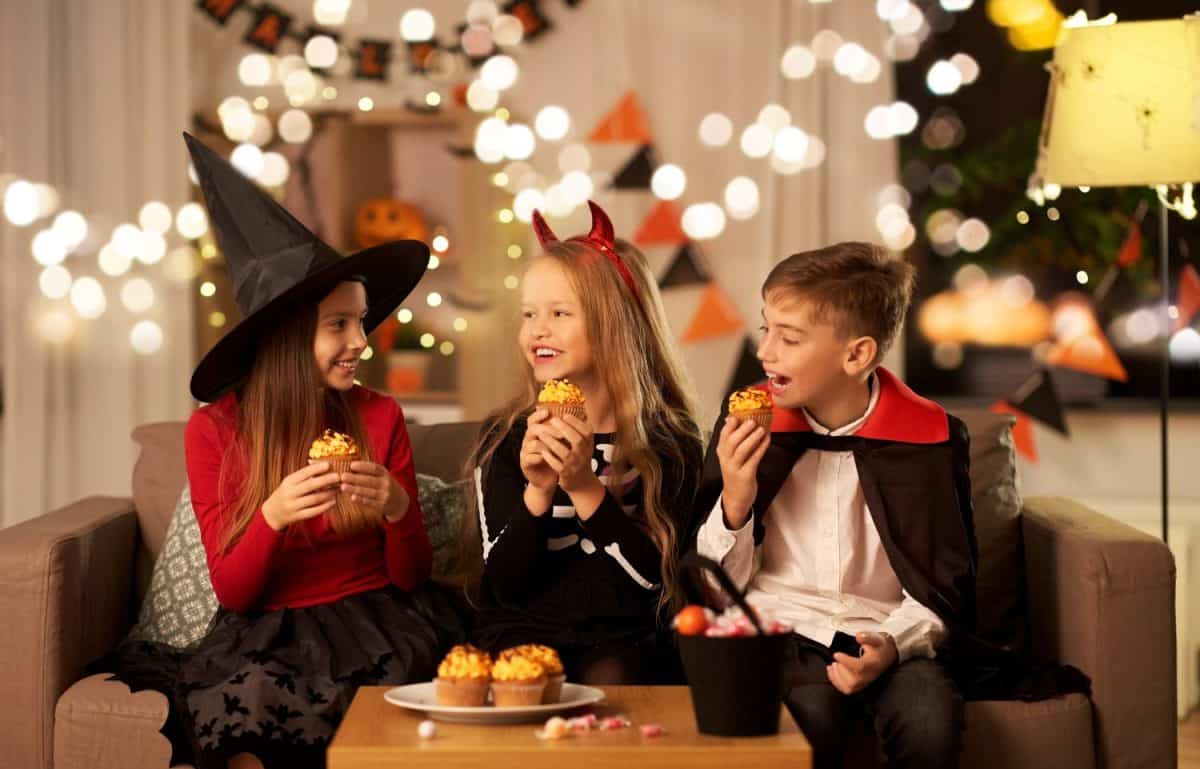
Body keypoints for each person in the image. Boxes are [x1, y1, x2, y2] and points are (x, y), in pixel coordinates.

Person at [99, 133, 463, 769]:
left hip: (378, 618)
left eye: (361, 321)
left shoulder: (379, 414)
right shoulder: (213, 431)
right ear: (289, 339)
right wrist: (272, 515)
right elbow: (236, 593)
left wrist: (400, 507)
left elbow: (409, 576)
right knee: (249, 706)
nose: (361, 342)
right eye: (339, 325)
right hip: (267, 626)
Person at [694, 242, 969, 769]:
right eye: (765, 328)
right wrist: (736, 496)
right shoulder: (748, 430)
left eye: (789, 338)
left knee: (931, 723)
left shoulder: (928, 439)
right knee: (811, 718)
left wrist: (891, 644)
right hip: (782, 632)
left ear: (857, 354)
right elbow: (715, 589)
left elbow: (943, 587)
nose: (764, 352)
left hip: (887, 631)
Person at [464, 201, 703, 683]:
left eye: (559, 313)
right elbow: (505, 586)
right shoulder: (506, 438)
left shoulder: (669, 443)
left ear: (615, 325)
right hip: (521, 632)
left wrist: (583, 486)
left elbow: (657, 585)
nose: (537, 330)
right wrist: (537, 492)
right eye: (529, 314)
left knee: (616, 679)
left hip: (624, 639)